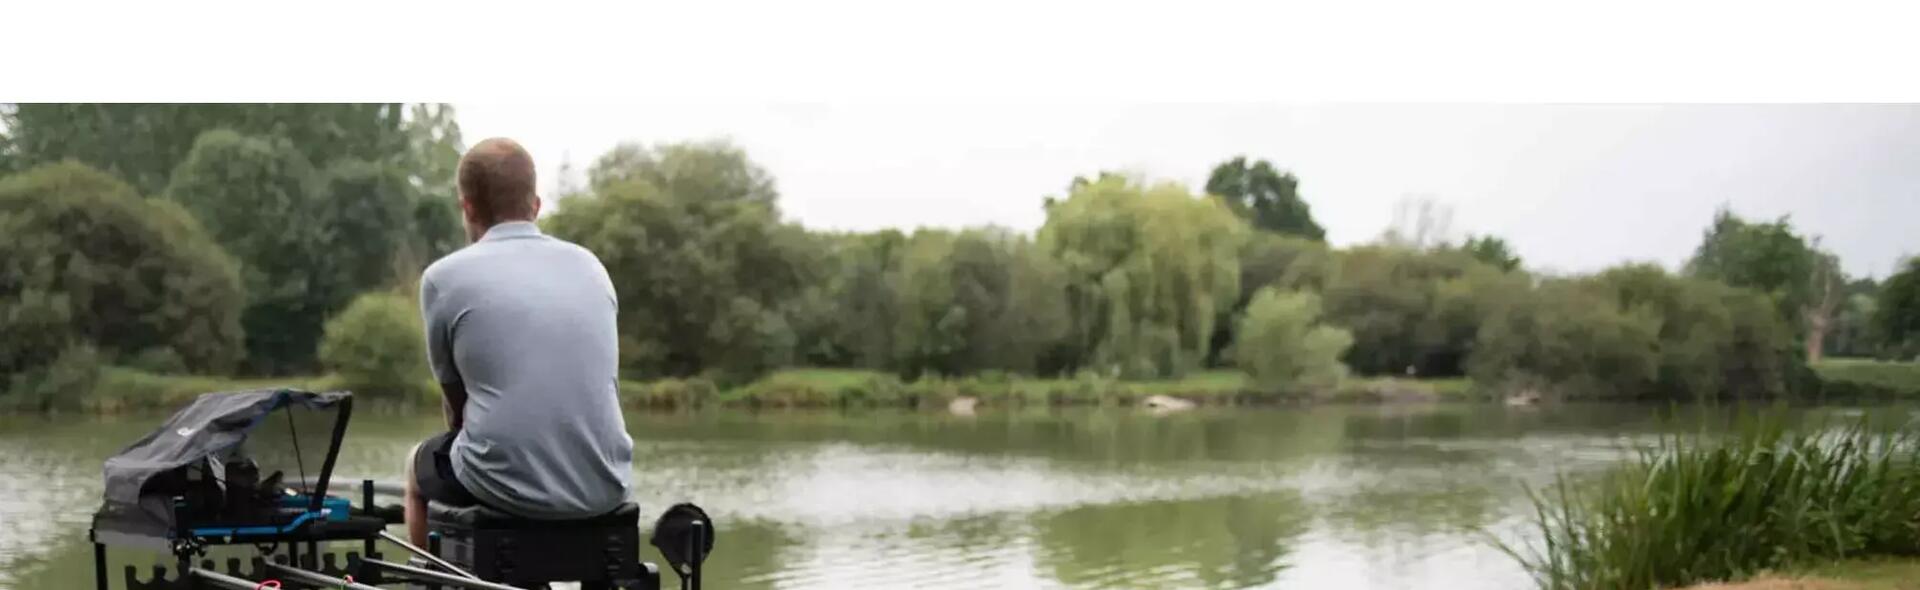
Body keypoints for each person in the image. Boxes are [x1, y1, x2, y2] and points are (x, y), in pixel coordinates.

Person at [403, 137, 634, 546]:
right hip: (607, 484)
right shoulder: (591, 266)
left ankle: (430, 576)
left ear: (467, 207)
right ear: (536, 204)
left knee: (416, 467)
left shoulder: (444, 277)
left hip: (505, 488)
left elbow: (457, 412)